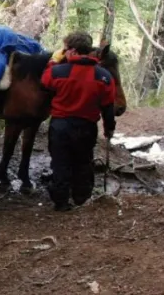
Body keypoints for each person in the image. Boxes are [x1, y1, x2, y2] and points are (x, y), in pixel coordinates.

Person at [40, 31, 117, 212]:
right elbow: (108, 106)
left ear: (71, 50)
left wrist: (53, 61)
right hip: (87, 126)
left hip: (60, 125)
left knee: (60, 162)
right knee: (83, 161)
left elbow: (44, 83)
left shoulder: (58, 71)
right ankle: (81, 197)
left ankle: (61, 201)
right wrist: (109, 128)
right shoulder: (104, 76)